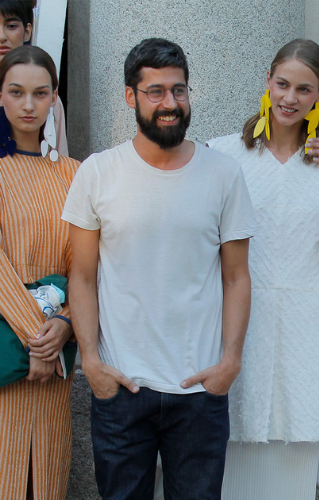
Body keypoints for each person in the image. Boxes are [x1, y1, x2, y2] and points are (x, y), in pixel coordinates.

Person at [62, 37, 255, 500]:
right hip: (122, 387)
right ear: (131, 96)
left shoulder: (223, 174)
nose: (170, 103)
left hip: (200, 392)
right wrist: (92, 362)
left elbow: (237, 277)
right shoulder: (98, 172)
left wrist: (229, 362)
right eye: (156, 92)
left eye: (179, 90)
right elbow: (82, 277)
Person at [207, 39, 319, 500]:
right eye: (282, 84)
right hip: (238, 326)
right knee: (232, 457)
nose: (290, 98)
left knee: (290, 472)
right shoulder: (224, 154)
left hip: (304, 332)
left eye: (304, 89)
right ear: (267, 82)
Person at [0, 45, 79, 500]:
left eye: (40, 93)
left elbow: (87, 267)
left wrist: (63, 325)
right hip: (3, 350)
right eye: (17, 92)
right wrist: (36, 339)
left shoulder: (76, 174)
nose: (28, 105)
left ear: (53, 99)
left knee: (45, 478)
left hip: (56, 353)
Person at [0, 0, 68, 155]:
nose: (1, 36)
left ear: (27, 30)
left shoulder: (47, 98)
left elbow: (60, 161)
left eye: (11, 26)